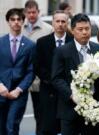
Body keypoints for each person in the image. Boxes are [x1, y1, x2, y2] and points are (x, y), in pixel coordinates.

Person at [51, 13, 99, 135]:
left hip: (93, 108)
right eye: (80, 29)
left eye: (87, 29)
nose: (84, 32)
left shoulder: (98, 49)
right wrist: (71, 95)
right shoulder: (62, 51)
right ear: (73, 30)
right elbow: (56, 78)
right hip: (70, 108)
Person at [34, 10, 73, 135]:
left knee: (67, 127)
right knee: (48, 127)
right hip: (48, 90)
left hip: (69, 91)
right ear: (53, 23)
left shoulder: (73, 42)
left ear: (67, 23)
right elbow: (38, 66)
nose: (60, 24)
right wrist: (53, 81)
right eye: (57, 21)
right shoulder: (42, 42)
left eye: (63, 21)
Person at [0, 8, 35, 135]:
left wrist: (19, 89)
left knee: (12, 127)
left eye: (19, 19)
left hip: (18, 94)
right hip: (1, 91)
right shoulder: (0, 42)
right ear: (8, 22)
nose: (16, 22)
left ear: (23, 21)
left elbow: (31, 71)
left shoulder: (30, 45)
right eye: (12, 19)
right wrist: (0, 85)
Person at [22, 1, 53, 134]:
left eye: (34, 12)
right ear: (25, 13)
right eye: (29, 12)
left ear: (38, 12)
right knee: (16, 114)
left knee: (40, 115)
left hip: (39, 80)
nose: (31, 15)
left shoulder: (47, 29)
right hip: (21, 79)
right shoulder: (20, 29)